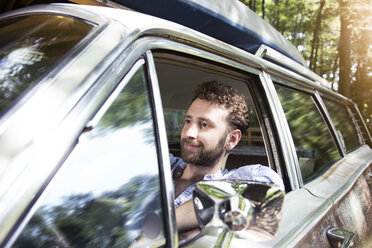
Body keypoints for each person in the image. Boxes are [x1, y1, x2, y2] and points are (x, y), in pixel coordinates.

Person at [170, 81, 284, 233]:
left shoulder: (236, 180)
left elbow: (268, 188)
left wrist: (162, 225)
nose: (189, 132)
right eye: (188, 121)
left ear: (232, 139)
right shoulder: (161, 165)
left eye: (204, 124)